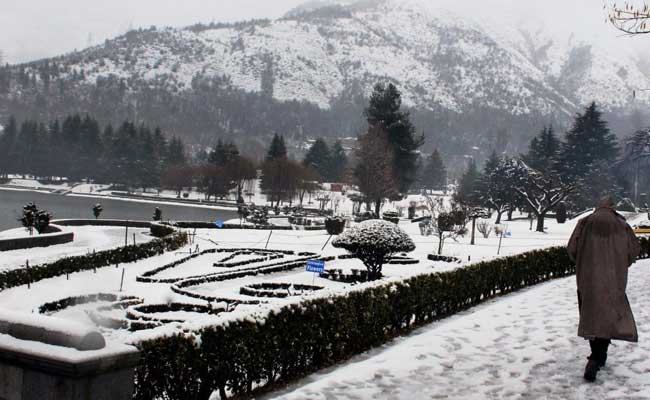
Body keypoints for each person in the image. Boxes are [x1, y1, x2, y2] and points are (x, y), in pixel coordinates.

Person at [568, 195, 641, 382]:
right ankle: (598, 356)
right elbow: (633, 251)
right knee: (608, 313)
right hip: (614, 278)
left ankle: (596, 355)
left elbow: (572, 248)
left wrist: (583, 262)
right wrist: (621, 263)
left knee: (592, 314)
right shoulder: (621, 224)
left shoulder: (585, 222)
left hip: (588, 277)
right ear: (613, 207)